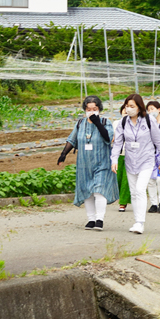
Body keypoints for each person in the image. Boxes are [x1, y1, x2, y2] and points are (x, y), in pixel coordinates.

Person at [58, 95, 119, 230]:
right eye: (88, 109)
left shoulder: (104, 122)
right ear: (85, 109)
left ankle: (99, 219)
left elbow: (108, 138)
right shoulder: (80, 123)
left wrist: (97, 122)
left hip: (102, 163)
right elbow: (72, 140)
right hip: (84, 164)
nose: (91, 111)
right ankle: (91, 219)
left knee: (99, 191)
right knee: (87, 191)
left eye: (94, 108)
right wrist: (63, 154)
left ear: (99, 109)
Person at [111, 94, 160, 234]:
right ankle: (137, 221)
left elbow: (158, 141)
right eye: (127, 106)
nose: (128, 109)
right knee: (134, 192)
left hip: (146, 160)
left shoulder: (149, 120)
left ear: (139, 107)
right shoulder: (124, 122)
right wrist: (114, 160)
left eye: (132, 106)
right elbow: (117, 143)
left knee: (141, 189)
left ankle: (140, 223)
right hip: (130, 161)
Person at [112, 105, 130, 212]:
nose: (126, 114)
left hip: (130, 155)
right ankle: (120, 198)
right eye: (124, 112)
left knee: (126, 180)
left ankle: (122, 203)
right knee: (118, 178)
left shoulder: (135, 123)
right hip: (119, 154)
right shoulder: (116, 123)